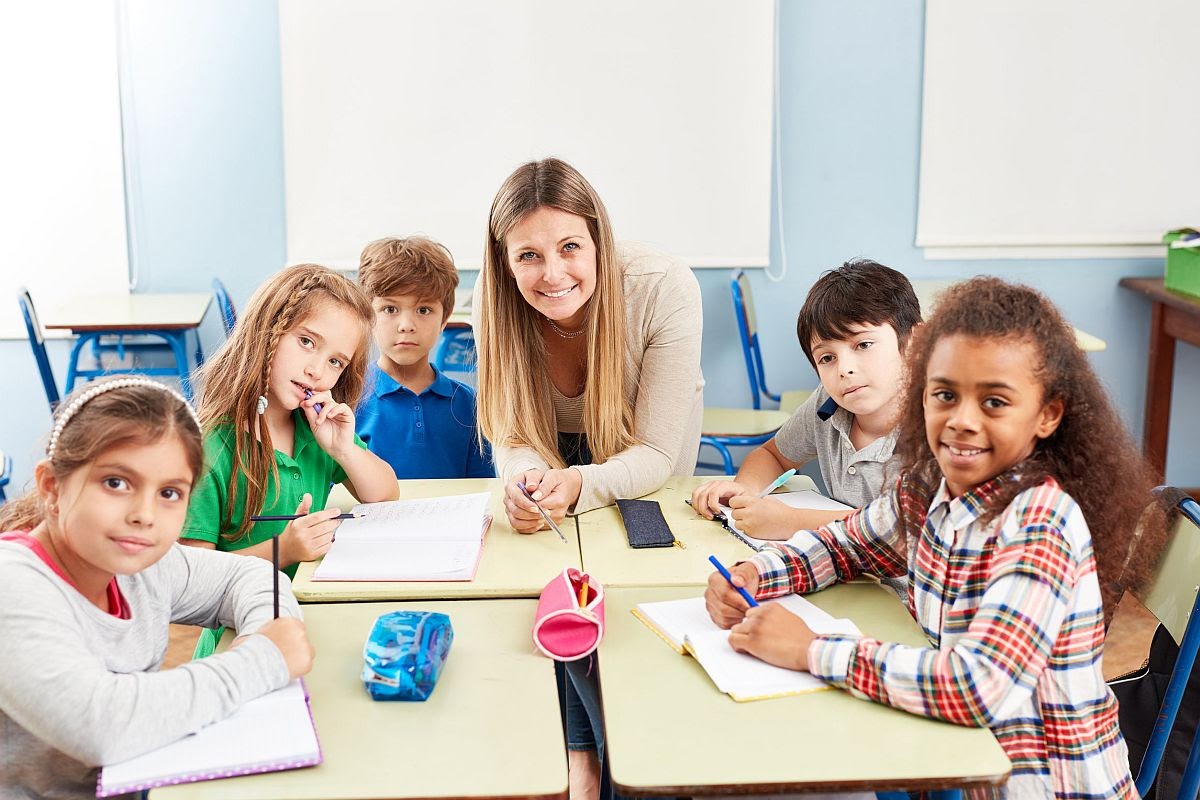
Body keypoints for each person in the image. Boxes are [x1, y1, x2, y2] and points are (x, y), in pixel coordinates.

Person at [705, 277, 1169, 799]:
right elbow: (848, 545)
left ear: (1046, 415)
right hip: (955, 761)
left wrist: (811, 648)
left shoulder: (1042, 522)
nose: (961, 421)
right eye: (945, 395)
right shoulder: (931, 487)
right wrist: (757, 575)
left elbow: (976, 688)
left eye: (994, 402)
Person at [473, 157, 704, 800]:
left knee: (630, 592)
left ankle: (620, 756)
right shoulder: (494, 302)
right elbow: (513, 434)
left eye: (570, 247)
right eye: (529, 256)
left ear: (599, 238)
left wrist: (579, 485)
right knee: (546, 590)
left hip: (643, 459)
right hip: (556, 459)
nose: (552, 274)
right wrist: (523, 478)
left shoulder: (662, 286)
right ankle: (583, 759)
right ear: (504, 262)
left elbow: (656, 452)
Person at [0, 377, 314, 800]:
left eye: (169, 492)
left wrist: (269, 635)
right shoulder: (13, 585)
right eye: (116, 483)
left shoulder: (141, 564)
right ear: (52, 488)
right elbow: (99, 725)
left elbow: (256, 578)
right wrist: (263, 660)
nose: (145, 515)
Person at [180, 264, 397, 657]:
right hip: (242, 648)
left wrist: (344, 450)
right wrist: (285, 548)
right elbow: (192, 581)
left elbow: (385, 494)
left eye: (336, 362)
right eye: (307, 342)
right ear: (267, 332)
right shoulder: (210, 448)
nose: (317, 370)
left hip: (312, 629)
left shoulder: (313, 430)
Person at [691, 259, 919, 540]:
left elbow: (906, 527)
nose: (844, 369)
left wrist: (794, 522)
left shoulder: (939, 425)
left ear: (915, 342)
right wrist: (747, 488)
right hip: (848, 574)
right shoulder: (829, 405)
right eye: (827, 358)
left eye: (863, 345)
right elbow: (773, 455)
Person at [355, 235, 493, 478]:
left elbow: (482, 491)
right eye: (390, 309)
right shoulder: (347, 398)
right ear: (368, 315)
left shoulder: (471, 406)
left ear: (445, 318)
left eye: (423, 310)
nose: (406, 325)